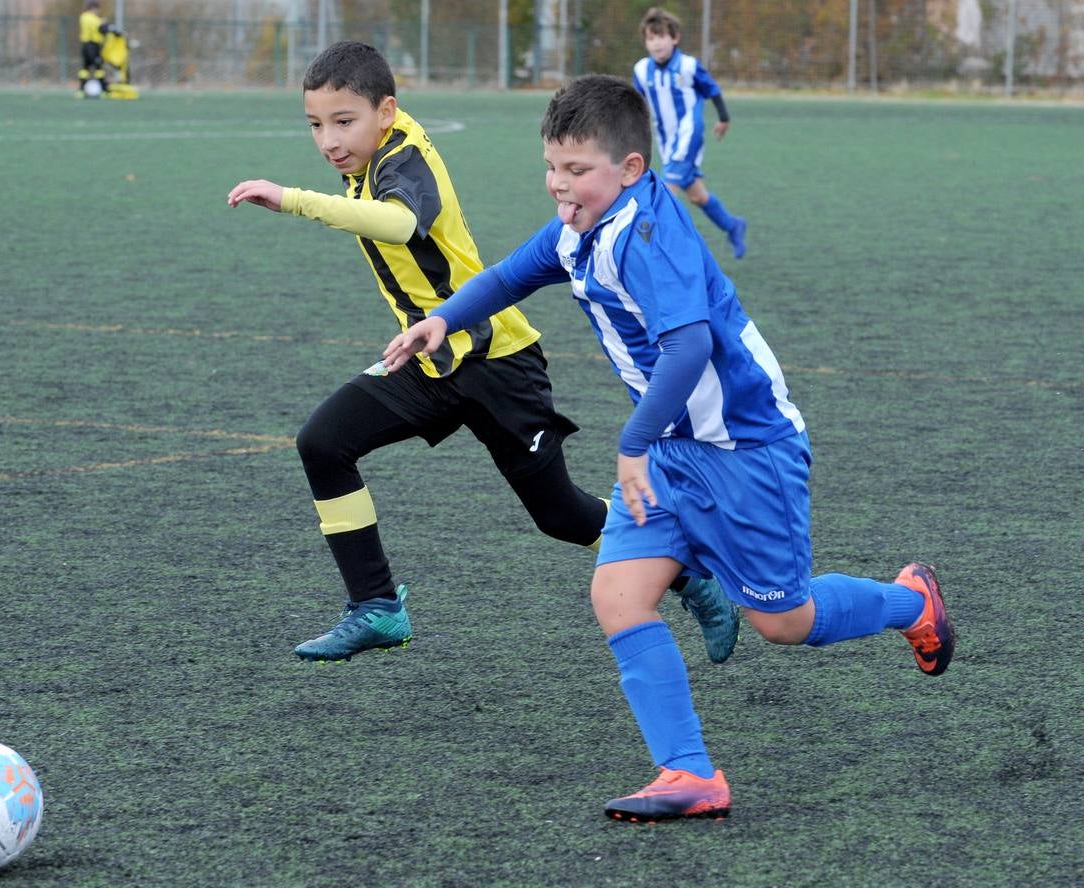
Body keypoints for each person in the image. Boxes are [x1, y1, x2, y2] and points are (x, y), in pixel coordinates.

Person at [383, 75, 956, 822]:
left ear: (628, 169)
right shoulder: (582, 223)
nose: (560, 184)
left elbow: (689, 348)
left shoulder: (651, 238)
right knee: (617, 595)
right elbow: (514, 273)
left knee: (784, 623)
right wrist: (444, 319)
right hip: (668, 451)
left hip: (744, 449)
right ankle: (689, 774)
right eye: (552, 166)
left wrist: (633, 441)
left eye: (577, 170)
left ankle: (912, 602)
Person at [227, 42, 737, 664]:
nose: (329, 140)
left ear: (386, 111)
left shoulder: (406, 155)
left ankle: (684, 569)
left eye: (343, 122)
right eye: (315, 125)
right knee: (322, 442)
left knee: (562, 516)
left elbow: (398, 224)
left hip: (499, 363)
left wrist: (293, 199)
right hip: (430, 354)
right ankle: (377, 606)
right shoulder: (368, 151)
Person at [633, 7, 747, 259]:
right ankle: (733, 225)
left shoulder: (688, 66)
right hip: (666, 140)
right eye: (651, 38)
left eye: (661, 36)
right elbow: (637, 101)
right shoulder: (641, 70)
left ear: (675, 38)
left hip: (689, 134)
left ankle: (654, 253)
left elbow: (712, 89)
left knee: (664, 193)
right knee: (697, 195)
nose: (656, 43)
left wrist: (724, 117)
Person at [78, 0, 109, 96]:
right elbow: (101, 28)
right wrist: (103, 22)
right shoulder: (93, 18)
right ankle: (104, 90)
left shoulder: (82, 17)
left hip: (84, 45)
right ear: (94, 8)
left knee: (84, 68)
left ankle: (81, 91)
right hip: (93, 46)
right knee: (98, 67)